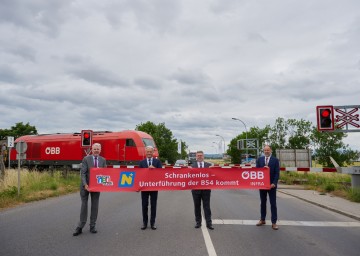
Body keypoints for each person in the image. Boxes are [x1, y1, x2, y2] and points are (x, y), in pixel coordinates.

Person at [73, 143, 106, 236]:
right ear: (92, 149)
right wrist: (85, 184)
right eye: (94, 149)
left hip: (96, 187)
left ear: (100, 150)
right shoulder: (86, 159)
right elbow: (83, 173)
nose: (96, 150)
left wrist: (103, 182)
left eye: (98, 149)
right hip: (86, 186)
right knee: (84, 205)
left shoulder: (103, 160)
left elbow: (105, 174)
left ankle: (92, 226)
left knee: (95, 205)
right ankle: (80, 226)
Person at [255, 145, 280, 230]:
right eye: (265, 150)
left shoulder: (275, 160)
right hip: (262, 185)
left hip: (271, 186)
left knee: (273, 204)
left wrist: (274, 183)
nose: (266, 151)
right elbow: (256, 172)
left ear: (271, 151)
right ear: (263, 151)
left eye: (268, 150)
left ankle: (274, 222)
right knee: (263, 203)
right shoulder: (259, 160)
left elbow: (277, 173)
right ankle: (262, 219)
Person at [139, 146, 162, 230]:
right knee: (144, 205)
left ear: (153, 153)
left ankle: (152, 223)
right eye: (147, 152)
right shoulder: (141, 162)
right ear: (145, 152)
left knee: (153, 205)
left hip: (154, 187)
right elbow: (139, 175)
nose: (149, 153)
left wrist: (155, 169)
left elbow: (161, 173)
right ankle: (144, 223)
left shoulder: (157, 162)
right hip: (144, 187)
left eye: (150, 152)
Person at [191, 150, 214, 230]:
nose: (200, 157)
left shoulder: (209, 165)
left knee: (207, 206)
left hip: (206, 189)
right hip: (195, 190)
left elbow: (213, 175)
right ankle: (198, 222)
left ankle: (209, 223)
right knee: (197, 206)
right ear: (196, 157)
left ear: (203, 156)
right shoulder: (192, 166)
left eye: (201, 155)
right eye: (198, 155)